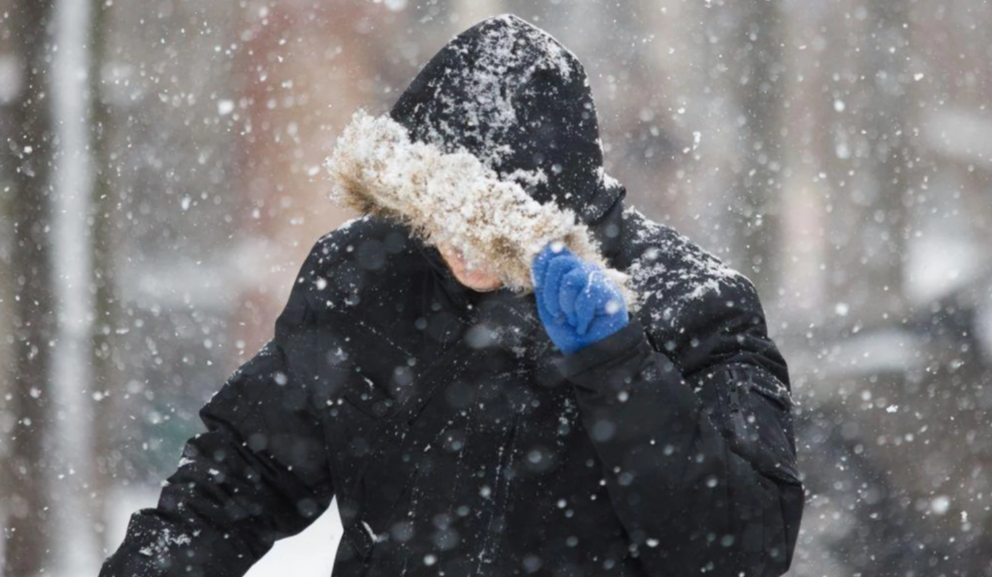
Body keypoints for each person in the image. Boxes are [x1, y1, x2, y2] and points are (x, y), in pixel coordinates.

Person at [100, 14, 803, 577]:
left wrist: (618, 367)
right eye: (439, 212)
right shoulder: (365, 279)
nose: (460, 245)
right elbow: (235, 483)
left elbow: (739, 551)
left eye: (488, 224)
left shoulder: (694, 305)